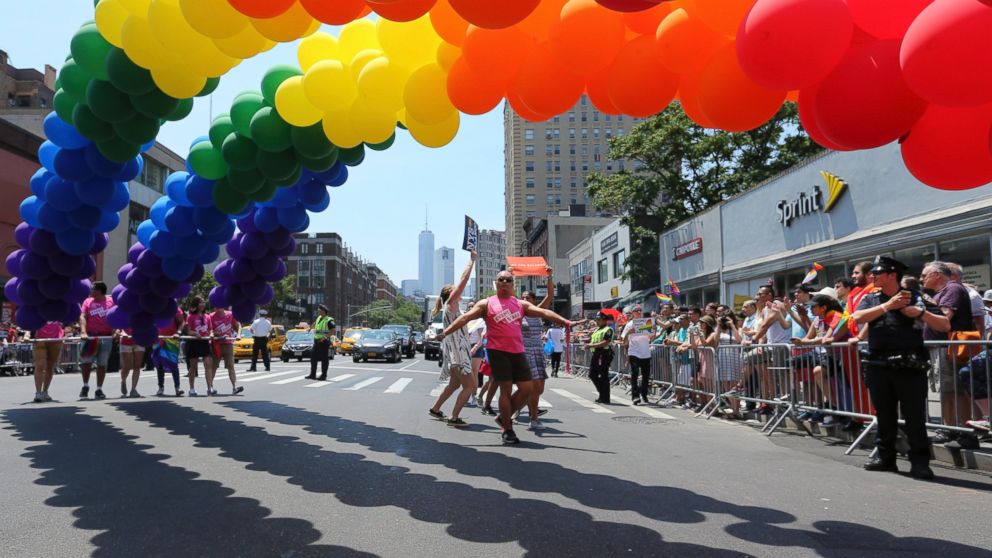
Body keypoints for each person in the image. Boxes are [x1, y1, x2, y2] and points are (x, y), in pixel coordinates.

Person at [442, 269, 573, 444]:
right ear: (497, 283)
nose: (504, 282)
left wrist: (565, 321)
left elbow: (544, 312)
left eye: (508, 279)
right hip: (498, 351)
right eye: (501, 279)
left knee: (527, 388)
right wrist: (444, 333)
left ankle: (504, 417)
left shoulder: (520, 304)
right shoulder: (486, 303)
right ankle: (508, 429)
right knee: (505, 389)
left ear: (512, 284)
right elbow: (465, 318)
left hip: (518, 352)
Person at [853, 256, 949, 480]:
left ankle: (920, 462)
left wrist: (921, 313)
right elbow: (857, 318)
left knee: (914, 416)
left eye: (877, 273)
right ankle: (885, 458)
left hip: (909, 365)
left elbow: (944, 324)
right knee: (884, 415)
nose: (872, 276)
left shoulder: (916, 297)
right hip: (879, 364)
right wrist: (888, 306)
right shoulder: (872, 298)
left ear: (892, 275)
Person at [921, 261, 982, 450]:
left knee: (955, 391)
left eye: (925, 275)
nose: (922, 278)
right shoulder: (942, 292)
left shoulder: (953, 289)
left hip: (948, 346)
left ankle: (966, 433)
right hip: (941, 346)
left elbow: (944, 316)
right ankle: (951, 430)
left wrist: (921, 309)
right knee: (947, 392)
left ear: (937, 274)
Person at [429, 252, 478, 427]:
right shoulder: (450, 306)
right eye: (455, 290)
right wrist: (471, 262)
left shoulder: (452, 307)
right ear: (451, 294)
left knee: (454, 385)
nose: (459, 291)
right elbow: (463, 281)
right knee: (470, 386)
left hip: (456, 350)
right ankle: (454, 417)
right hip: (458, 351)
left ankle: (435, 409)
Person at [520, 279, 553, 430]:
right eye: (523, 297)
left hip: (538, 353)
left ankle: (517, 410)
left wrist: (549, 277)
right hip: (525, 354)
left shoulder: (538, 312)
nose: (525, 300)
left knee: (539, 390)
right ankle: (533, 418)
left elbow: (550, 295)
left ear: (533, 300)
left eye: (528, 298)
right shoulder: (518, 315)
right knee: (532, 388)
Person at [79, 281, 115, 400]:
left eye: (92, 289)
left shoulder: (111, 301)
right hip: (90, 337)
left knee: (102, 364)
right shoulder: (87, 302)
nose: (90, 291)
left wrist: (116, 331)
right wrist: (83, 332)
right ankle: (85, 386)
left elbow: (116, 316)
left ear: (99, 291)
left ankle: (99, 389)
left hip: (106, 337)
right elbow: (83, 316)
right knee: (86, 362)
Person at [621, 304, 660, 405]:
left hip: (645, 353)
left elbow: (651, 338)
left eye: (639, 310)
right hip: (633, 352)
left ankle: (644, 393)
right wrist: (629, 333)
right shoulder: (629, 324)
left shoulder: (646, 323)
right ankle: (635, 396)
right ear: (632, 313)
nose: (638, 312)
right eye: (636, 311)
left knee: (646, 376)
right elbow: (623, 342)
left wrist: (654, 331)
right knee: (634, 374)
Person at [208, 304, 243, 394]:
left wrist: (238, 334)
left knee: (231, 365)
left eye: (218, 306)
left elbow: (238, 325)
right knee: (214, 366)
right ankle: (210, 387)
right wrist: (215, 334)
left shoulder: (230, 315)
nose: (216, 308)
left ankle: (234, 386)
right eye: (215, 306)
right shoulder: (211, 316)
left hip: (228, 344)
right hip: (216, 344)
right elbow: (209, 330)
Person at [28, 321, 63, 403]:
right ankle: (38, 393)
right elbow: (28, 318)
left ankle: (45, 392)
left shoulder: (59, 309)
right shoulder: (36, 308)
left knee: (50, 366)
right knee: (40, 364)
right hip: (40, 339)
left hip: (56, 340)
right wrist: (27, 333)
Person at [184, 296, 213, 396]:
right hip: (194, 342)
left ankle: (210, 387)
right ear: (196, 305)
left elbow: (210, 329)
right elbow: (188, 331)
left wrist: (212, 334)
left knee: (208, 364)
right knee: (193, 367)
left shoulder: (207, 317)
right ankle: (192, 389)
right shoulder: (190, 316)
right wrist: (195, 334)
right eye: (200, 303)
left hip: (205, 342)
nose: (202, 305)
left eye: (203, 303)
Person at [587, 311, 616, 404]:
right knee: (592, 374)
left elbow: (605, 342)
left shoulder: (608, 329)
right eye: (596, 320)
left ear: (604, 320)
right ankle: (602, 393)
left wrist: (591, 346)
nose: (597, 321)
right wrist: (587, 342)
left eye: (598, 320)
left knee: (603, 375)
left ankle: (605, 397)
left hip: (604, 353)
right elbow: (593, 339)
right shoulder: (597, 329)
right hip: (596, 353)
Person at [154, 308, 184, 397]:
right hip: (159, 339)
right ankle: (161, 387)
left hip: (172, 340)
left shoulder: (175, 309)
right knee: (160, 365)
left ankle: (177, 388)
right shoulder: (156, 308)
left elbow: (182, 322)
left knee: (173, 364)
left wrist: (178, 332)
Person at [306, 305, 335, 381]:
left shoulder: (329, 320)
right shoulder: (319, 317)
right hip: (316, 340)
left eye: (319, 310)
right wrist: (310, 328)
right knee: (313, 357)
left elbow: (333, 331)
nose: (318, 311)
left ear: (323, 311)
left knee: (324, 359)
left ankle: (323, 375)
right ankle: (312, 374)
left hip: (324, 341)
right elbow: (315, 323)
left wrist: (324, 337)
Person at [118, 327, 144, 398]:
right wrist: (122, 332)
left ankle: (133, 389)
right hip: (126, 342)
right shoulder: (123, 316)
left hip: (139, 341)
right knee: (127, 366)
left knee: (137, 366)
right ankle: (123, 381)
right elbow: (118, 326)